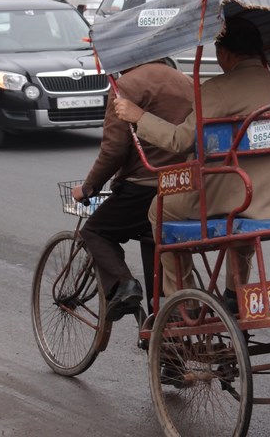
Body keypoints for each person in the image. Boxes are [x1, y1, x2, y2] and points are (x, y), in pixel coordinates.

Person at [114, 16, 270, 311]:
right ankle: (233, 291)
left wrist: (139, 117)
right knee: (239, 212)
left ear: (225, 53)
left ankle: (182, 299)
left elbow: (179, 141)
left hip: (240, 196)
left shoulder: (216, 89)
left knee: (159, 208)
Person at [71, 60, 193, 321]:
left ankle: (124, 285)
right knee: (154, 245)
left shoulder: (125, 85)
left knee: (94, 231)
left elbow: (113, 150)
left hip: (142, 186)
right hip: (180, 185)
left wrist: (89, 187)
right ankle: (163, 339)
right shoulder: (184, 80)